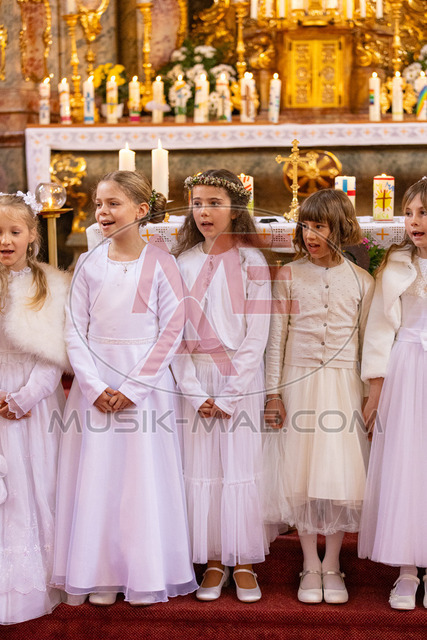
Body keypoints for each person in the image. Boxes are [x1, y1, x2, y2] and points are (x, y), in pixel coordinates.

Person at [52, 171, 197, 606]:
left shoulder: (163, 262)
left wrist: (134, 388)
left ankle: (142, 569)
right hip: (95, 382)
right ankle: (101, 572)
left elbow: (171, 330)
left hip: (146, 386)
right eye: (99, 203)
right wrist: (93, 385)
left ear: (140, 209)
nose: (102, 211)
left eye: (113, 203)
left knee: (140, 479)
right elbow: (74, 329)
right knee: (99, 477)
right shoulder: (88, 263)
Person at [263, 189, 374, 605]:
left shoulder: (362, 281)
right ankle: (310, 562)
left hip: (343, 386)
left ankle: (333, 563)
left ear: (340, 228)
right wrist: (273, 393)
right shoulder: (288, 276)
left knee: (339, 476)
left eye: (320, 226)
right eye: (305, 226)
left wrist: (369, 397)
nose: (310, 235)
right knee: (301, 475)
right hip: (299, 383)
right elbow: (276, 340)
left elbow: (366, 346)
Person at [172, 169, 271, 603]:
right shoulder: (182, 263)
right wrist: (194, 392)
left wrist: (231, 395)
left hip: (239, 379)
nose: (204, 212)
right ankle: (214, 559)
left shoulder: (253, 262)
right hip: (197, 377)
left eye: (214, 203)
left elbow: (257, 334)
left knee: (239, 466)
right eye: (197, 203)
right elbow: (173, 335)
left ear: (235, 209)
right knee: (205, 469)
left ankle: (243, 559)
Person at [0, 192, 70, 624]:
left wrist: (26, 396)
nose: (5, 240)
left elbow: (54, 353)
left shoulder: (50, 284)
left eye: (14, 231)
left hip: (36, 403)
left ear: (32, 236)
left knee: (36, 484)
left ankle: (43, 573)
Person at [358, 177, 427, 610]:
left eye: (424, 212)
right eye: (409, 213)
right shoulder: (398, 264)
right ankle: (407, 568)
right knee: (407, 463)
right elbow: (380, 330)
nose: (414, 221)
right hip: (408, 369)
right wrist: (375, 390)